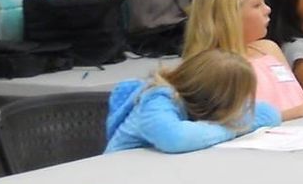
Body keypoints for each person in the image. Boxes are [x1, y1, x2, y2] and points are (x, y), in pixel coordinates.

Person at [103, 50, 280, 154]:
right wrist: (231, 128)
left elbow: (269, 114)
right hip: (117, 179)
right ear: (217, 100)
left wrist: (227, 125)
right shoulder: (157, 98)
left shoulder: (200, 107)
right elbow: (175, 139)